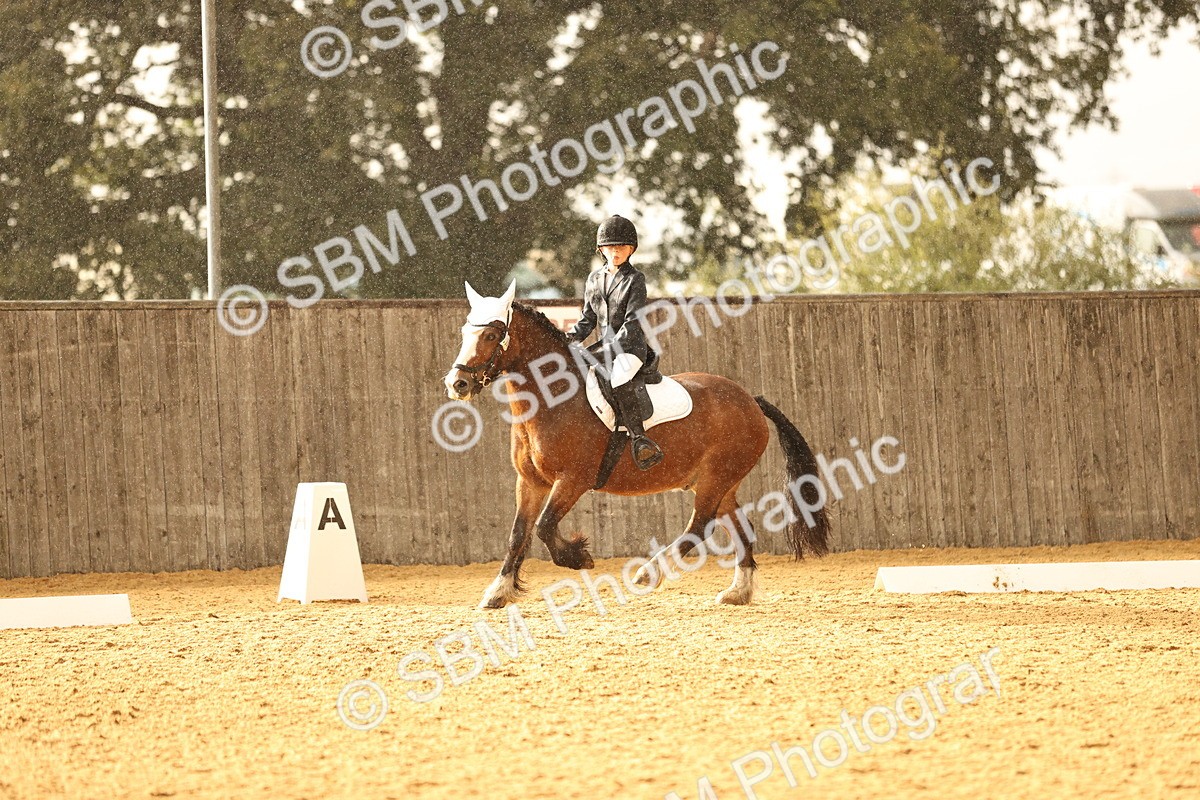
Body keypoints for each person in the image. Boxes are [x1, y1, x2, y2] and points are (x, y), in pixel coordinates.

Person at [568, 215, 665, 470]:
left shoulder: (635, 280)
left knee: (619, 379)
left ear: (631, 249)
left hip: (630, 348)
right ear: (601, 250)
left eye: (621, 247)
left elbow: (632, 323)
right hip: (604, 348)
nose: (616, 251)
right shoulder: (593, 279)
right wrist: (569, 338)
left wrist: (601, 352)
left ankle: (640, 439)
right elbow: (587, 319)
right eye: (611, 247)